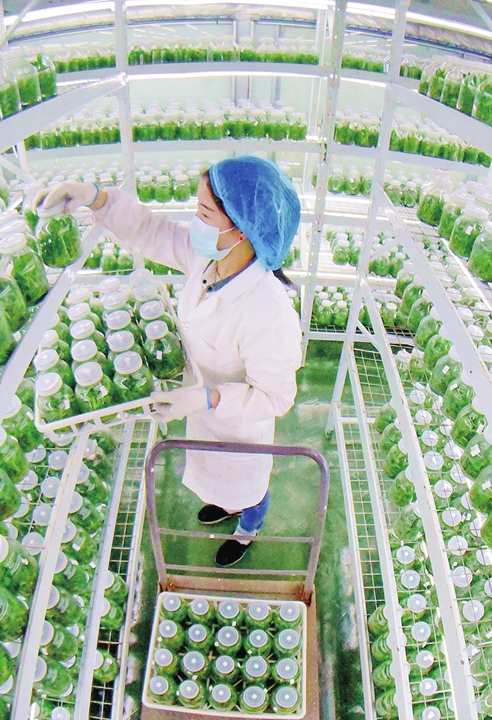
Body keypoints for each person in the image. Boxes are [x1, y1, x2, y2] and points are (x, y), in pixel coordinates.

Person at [34, 156, 303, 567]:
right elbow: (152, 231)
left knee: (249, 488)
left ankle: (248, 529)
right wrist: (96, 198)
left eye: (204, 213)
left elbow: (276, 397)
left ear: (242, 230)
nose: (195, 222)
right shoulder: (208, 261)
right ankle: (226, 506)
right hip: (205, 413)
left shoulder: (269, 311)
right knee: (216, 479)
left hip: (240, 428)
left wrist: (207, 399)